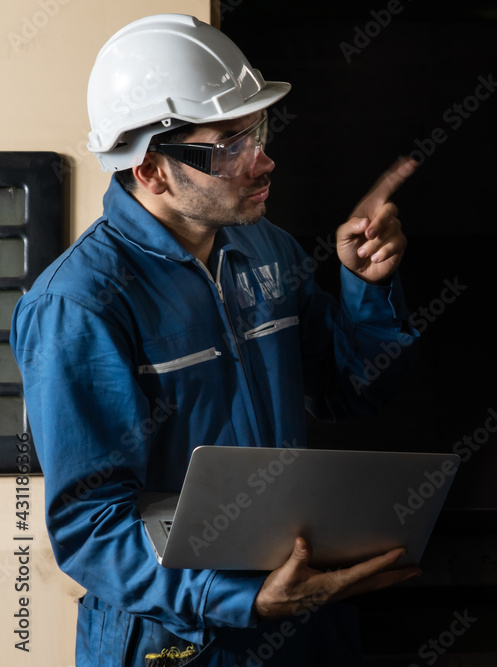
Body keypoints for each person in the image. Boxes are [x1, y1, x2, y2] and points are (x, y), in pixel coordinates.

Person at [11, 14, 421, 667]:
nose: (264, 158)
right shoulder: (79, 305)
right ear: (151, 170)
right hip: (179, 638)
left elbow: (351, 391)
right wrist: (240, 596)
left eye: (256, 130)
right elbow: (92, 529)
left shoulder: (268, 248)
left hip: (302, 619)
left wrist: (364, 288)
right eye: (229, 145)